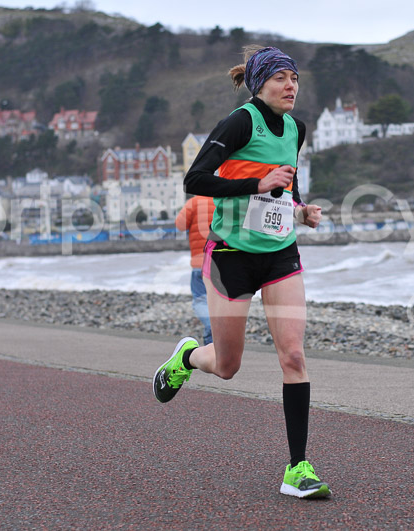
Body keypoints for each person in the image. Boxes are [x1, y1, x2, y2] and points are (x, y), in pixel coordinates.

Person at [152, 45, 329, 499]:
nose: (290, 86)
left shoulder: (296, 128)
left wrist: (300, 210)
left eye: (294, 78)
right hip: (230, 255)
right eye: (280, 78)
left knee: (294, 356)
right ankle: (188, 358)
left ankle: (297, 469)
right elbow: (194, 180)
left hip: (280, 254)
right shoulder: (240, 122)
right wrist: (256, 183)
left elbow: (287, 186)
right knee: (227, 366)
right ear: (259, 84)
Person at [175, 194, 216, 345]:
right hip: (222, 263)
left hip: (200, 263)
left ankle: (211, 329)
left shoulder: (193, 202)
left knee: (200, 300)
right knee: (219, 301)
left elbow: (180, 225)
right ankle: (216, 340)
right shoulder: (222, 200)